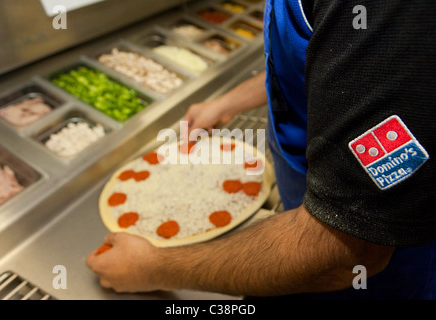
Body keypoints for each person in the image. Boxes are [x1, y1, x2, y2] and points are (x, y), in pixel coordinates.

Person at [86, 0, 435, 299]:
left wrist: (154, 268)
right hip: (306, 205)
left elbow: (348, 249)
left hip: (372, 264)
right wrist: (230, 101)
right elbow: (322, 58)